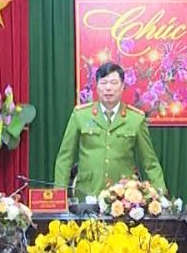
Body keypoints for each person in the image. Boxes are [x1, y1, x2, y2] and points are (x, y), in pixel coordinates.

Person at [52, 62, 166, 200]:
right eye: (103, 83)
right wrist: (58, 197)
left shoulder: (135, 119)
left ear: (123, 86)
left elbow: (150, 163)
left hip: (122, 199)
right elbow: (65, 158)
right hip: (87, 194)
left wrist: (161, 196)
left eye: (113, 83)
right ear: (97, 86)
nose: (108, 88)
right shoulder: (80, 115)